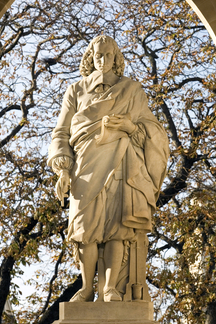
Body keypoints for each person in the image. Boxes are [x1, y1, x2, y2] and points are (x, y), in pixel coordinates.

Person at [47, 35, 169, 302]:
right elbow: (61, 134)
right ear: (90, 58)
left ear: (116, 59)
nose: (103, 61)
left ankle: (110, 287)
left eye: (108, 56)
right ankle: (87, 288)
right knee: (84, 231)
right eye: (98, 56)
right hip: (84, 167)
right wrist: (63, 169)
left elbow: (152, 131)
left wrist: (129, 127)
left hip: (121, 164)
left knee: (117, 228)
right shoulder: (76, 91)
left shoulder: (131, 90)